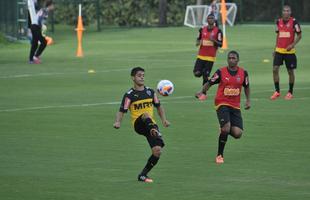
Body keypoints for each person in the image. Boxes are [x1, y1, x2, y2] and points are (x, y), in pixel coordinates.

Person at [113, 67, 170, 183]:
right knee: (145, 115)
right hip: (138, 124)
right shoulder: (129, 95)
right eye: (139, 75)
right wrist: (118, 121)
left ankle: (143, 175)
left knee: (157, 151)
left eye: (143, 75)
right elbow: (122, 110)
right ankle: (155, 132)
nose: (142, 77)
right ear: (133, 78)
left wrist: (164, 120)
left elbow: (159, 106)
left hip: (150, 125)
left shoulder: (150, 92)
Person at [196, 51, 250, 164]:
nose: (231, 60)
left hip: (235, 105)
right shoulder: (221, 72)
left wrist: (248, 101)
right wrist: (201, 91)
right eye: (229, 58)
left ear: (238, 60)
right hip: (222, 103)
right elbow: (209, 82)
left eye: (233, 58)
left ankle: (223, 127)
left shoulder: (243, 73)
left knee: (237, 133)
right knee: (226, 128)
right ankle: (220, 155)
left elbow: (247, 86)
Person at [271, 5, 302, 100]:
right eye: (284, 10)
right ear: (282, 12)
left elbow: (299, 35)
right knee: (275, 69)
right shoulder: (278, 22)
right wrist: (275, 49)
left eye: (288, 11)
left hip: (290, 52)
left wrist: (292, 45)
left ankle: (290, 92)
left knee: (290, 71)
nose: (286, 12)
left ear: (290, 12)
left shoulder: (294, 22)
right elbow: (278, 35)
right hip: (279, 51)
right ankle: (277, 91)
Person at [194, 14, 222, 100]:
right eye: (209, 18)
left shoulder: (218, 31)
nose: (210, 19)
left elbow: (221, 44)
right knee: (196, 73)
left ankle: (203, 94)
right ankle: (205, 73)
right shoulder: (202, 29)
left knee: (205, 76)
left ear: (214, 20)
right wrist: (198, 42)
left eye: (212, 18)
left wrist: (213, 40)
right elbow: (198, 39)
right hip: (201, 56)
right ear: (207, 20)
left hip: (210, 57)